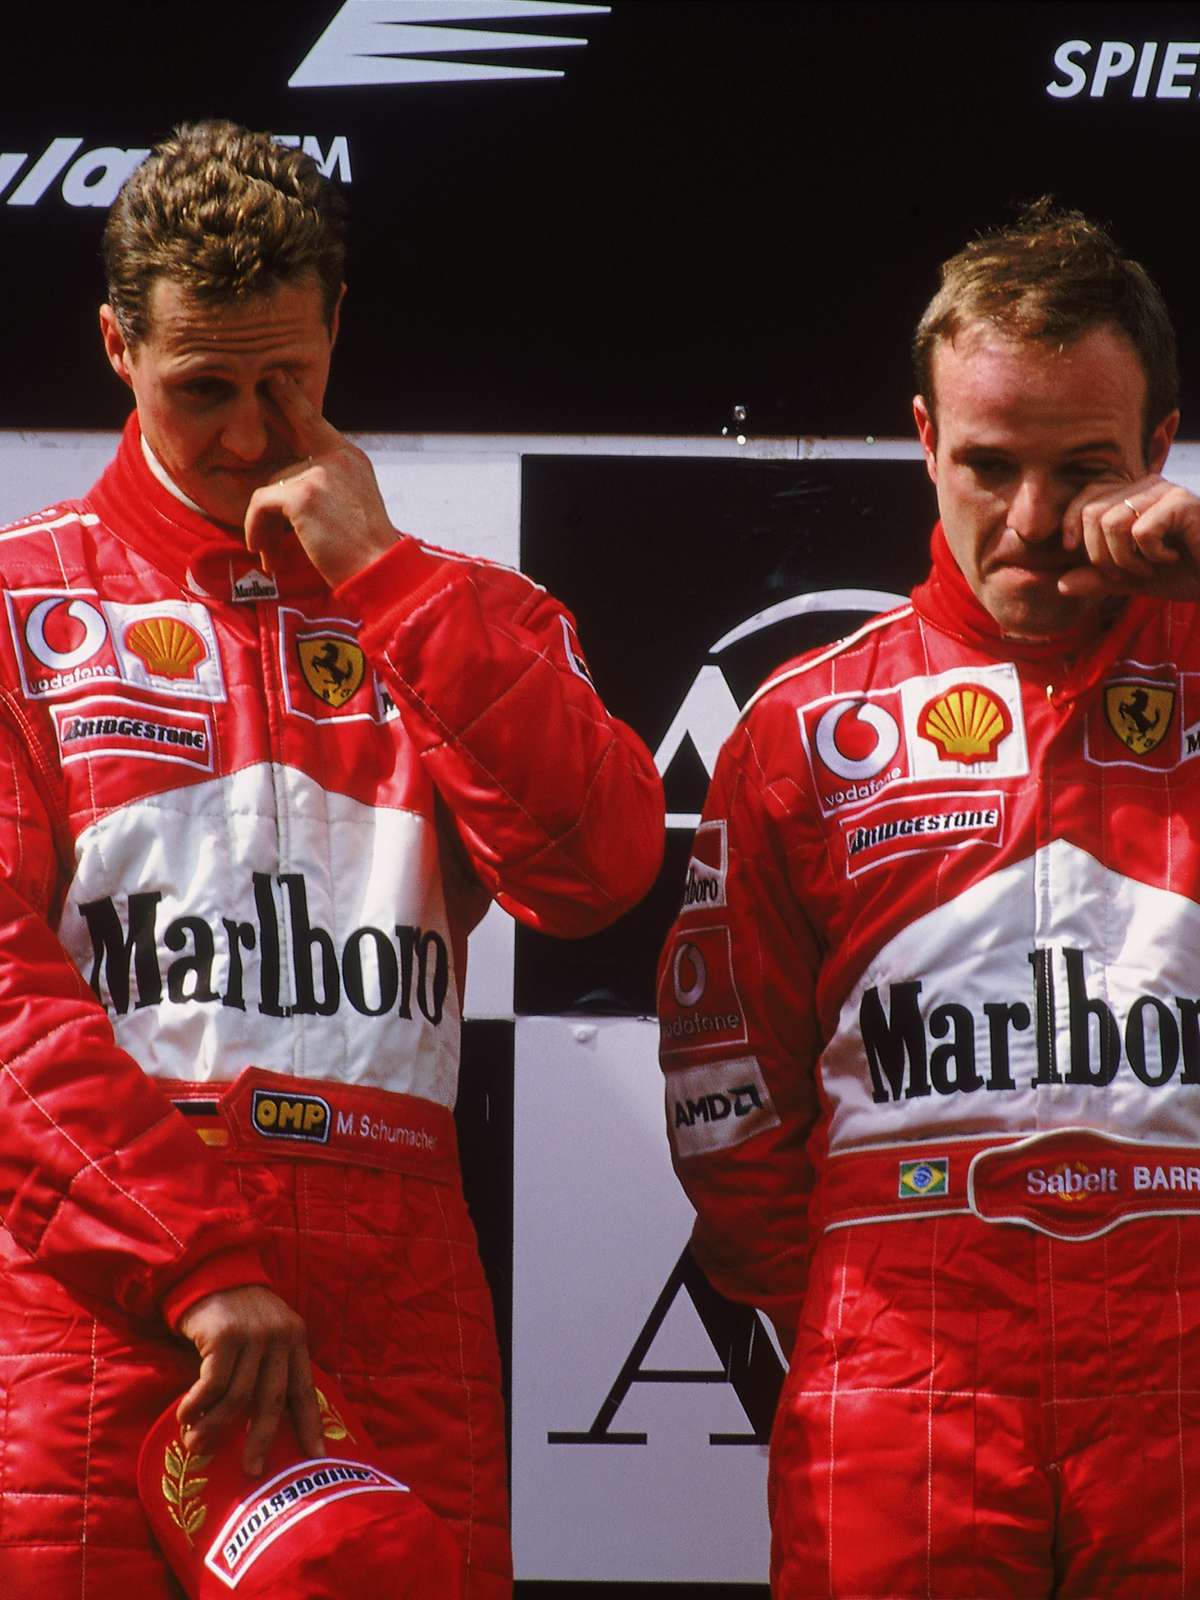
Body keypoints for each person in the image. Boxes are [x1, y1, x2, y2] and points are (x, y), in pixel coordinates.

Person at [0, 120, 664, 1598]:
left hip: (395, 1293)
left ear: (338, 330)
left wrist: (389, 584)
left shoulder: (460, 608)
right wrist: (191, 1258)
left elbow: (597, 870)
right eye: (203, 387)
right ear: (116, 346)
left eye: (285, 382)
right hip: (111, 1304)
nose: (249, 434)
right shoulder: (19, 610)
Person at [657, 200, 1200, 1599]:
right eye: (988, 465)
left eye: (1083, 471)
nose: (1033, 522)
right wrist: (871, 1331)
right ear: (923, 438)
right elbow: (729, 1109)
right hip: (903, 1373)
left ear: (1159, 448)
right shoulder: (802, 729)